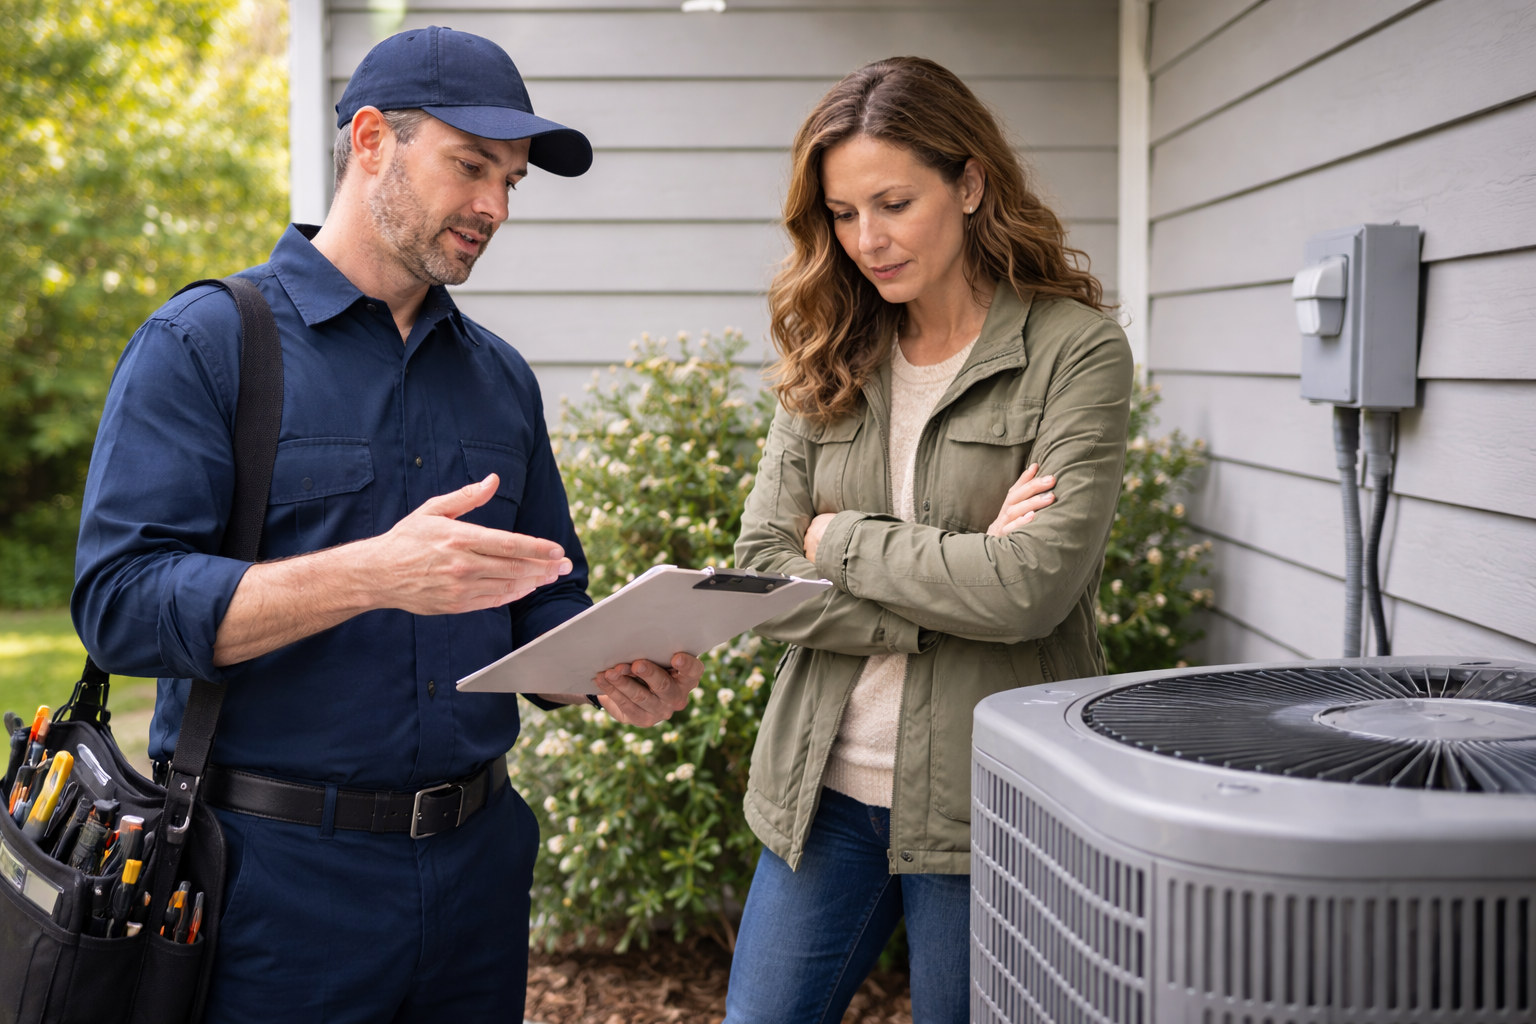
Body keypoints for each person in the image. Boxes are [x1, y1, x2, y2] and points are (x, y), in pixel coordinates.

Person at [73, 27, 702, 1022]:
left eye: (511, 181)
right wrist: (370, 573)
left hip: (478, 877)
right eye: (471, 166)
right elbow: (120, 606)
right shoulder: (205, 344)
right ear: (371, 141)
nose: (496, 207)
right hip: (273, 891)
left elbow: (545, 593)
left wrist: (601, 667)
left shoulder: (500, 378)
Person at [726, 57, 1134, 1022]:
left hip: (986, 801)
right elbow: (760, 572)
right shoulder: (829, 350)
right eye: (842, 213)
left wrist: (840, 539)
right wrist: (952, 584)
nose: (867, 239)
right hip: (822, 791)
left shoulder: (1074, 352)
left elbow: (1028, 591)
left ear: (971, 183)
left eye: (895, 203)